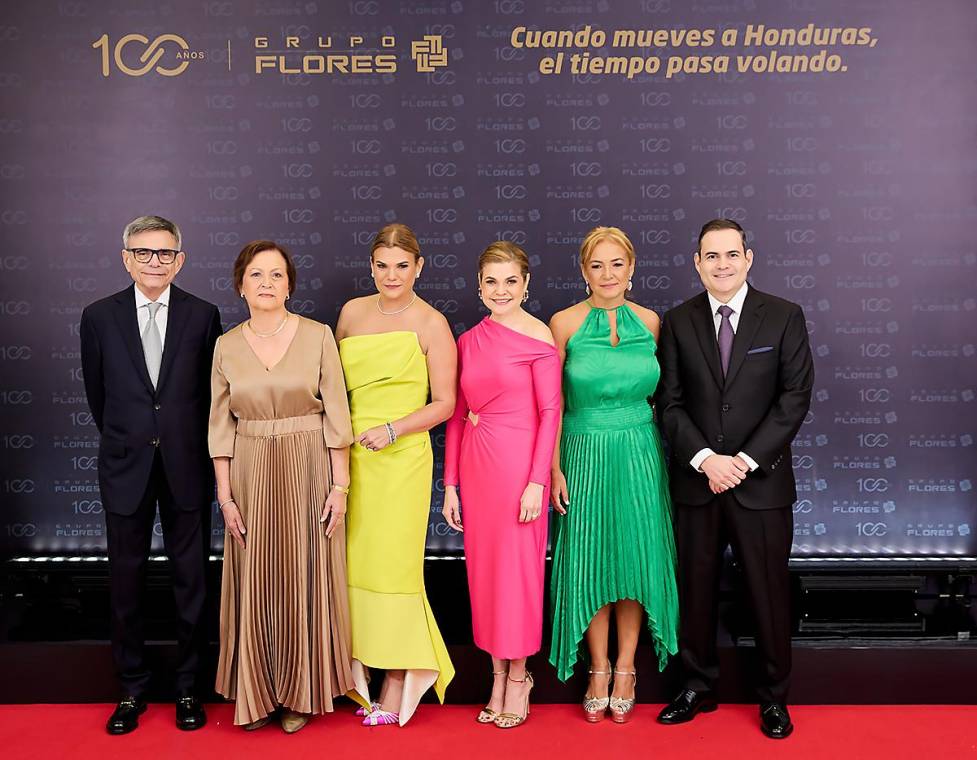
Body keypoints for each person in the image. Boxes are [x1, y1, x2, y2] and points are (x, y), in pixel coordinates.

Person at [655, 218, 814, 740]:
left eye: (730, 254)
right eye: (710, 256)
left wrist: (742, 461)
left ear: (748, 258)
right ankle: (696, 687)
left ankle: (774, 698)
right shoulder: (677, 322)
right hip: (696, 484)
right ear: (696, 263)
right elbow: (670, 404)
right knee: (693, 591)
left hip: (760, 484)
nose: (721, 264)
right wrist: (705, 458)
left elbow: (793, 401)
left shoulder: (785, 317)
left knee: (768, 593)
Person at [209, 240, 361, 732]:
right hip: (250, 472)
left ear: (290, 284)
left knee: (303, 574)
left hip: (308, 466)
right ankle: (255, 694)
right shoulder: (226, 345)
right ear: (240, 285)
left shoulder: (318, 336)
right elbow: (219, 428)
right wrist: (225, 496)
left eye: (276, 275)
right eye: (257, 275)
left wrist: (340, 488)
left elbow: (338, 415)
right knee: (255, 576)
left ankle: (301, 691)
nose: (267, 283)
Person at [80, 215, 221, 735]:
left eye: (164, 253)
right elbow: (99, 397)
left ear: (180, 259)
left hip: (187, 465)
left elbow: (212, 397)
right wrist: (131, 438)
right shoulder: (97, 316)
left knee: (192, 582)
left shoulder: (204, 315)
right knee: (126, 584)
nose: (154, 261)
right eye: (143, 253)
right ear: (126, 257)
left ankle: (189, 687)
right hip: (125, 466)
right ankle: (132, 689)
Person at [548, 226, 679, 723]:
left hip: (639, 452)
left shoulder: (651, 321)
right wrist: (553, 464)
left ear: (632, 269)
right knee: (590, 559)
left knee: (635, 559)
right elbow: (551, 401)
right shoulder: (562, 323)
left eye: (617, 264)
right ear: (584, 272)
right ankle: (597, 668)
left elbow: (665, 396)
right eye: (597, 265)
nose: (607, 274)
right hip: (581, 450)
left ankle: (626, 667)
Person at [336, 223, 457, 727]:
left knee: (394, 569)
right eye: (383, 265)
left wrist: (394, 429)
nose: (392, 275)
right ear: (371, 267)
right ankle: (354, 672)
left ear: (419, 267)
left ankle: (397, 679)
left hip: (401, 459)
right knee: (352, 567)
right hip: (350, 461)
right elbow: (331, 383)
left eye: (402, 265)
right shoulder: (350, 313)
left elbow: (447, 403)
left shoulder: (432, 323)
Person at [442, 242, 561, 729]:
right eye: (491, 281)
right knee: (485, 575)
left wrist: (537, 481)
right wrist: (449, 485)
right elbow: (453, 414)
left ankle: (519, 678)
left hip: (519, 470)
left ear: (526, 285)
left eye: (510, 281)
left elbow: (551, 412)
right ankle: (495, 675)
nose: (501, 290)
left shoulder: (540, 338)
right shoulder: (467, 341)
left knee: (519, 575)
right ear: (479, 286)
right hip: (477, 469)